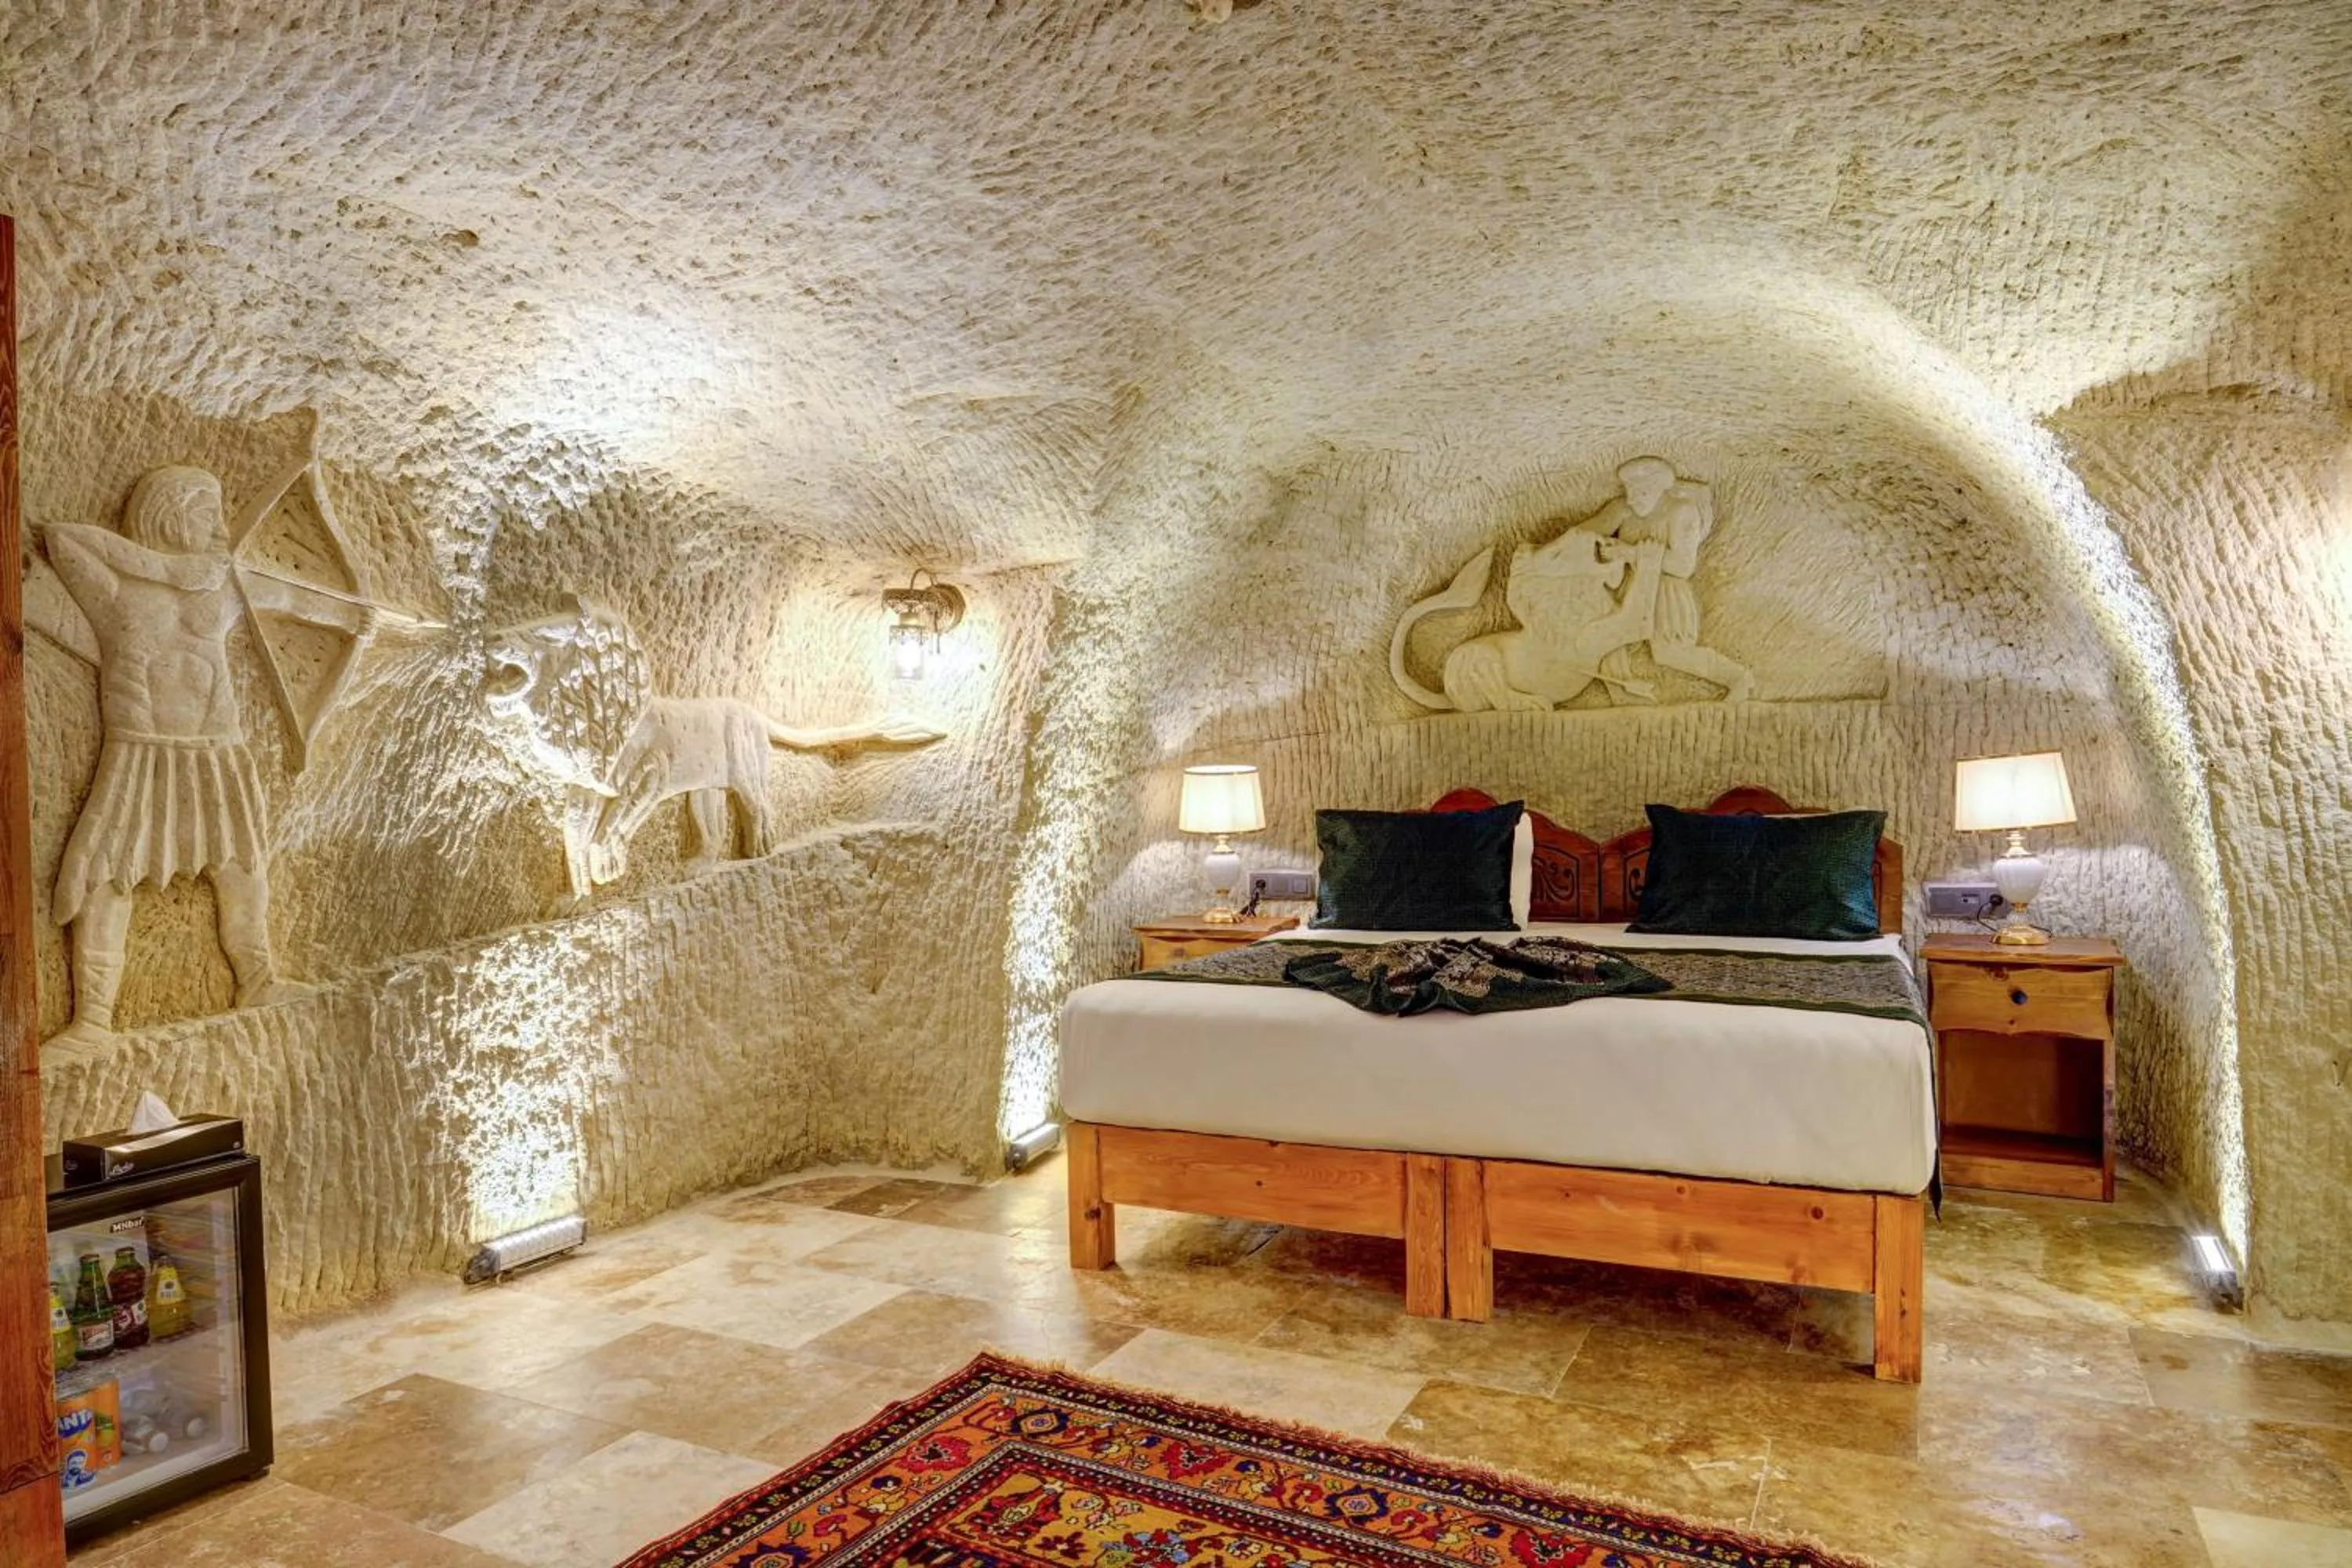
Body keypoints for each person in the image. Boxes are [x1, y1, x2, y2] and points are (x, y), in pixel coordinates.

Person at [33, 466, 366, 1045]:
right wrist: (167, 568)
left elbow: (289, 595)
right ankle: (92, 1021)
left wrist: (348, 616)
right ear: (169, 515)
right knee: (106, 869)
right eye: (203, 513)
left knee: (242, 863)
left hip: (217, 747)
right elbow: (65, 539)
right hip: (143, 746)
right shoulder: (116, 589)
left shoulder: (226, 583)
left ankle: (257, 979)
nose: (216, 527)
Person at [1581, 456, 1754, 702]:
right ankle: (1627, 699)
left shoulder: (1681, 512)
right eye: (1629, 491)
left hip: (1665, 592)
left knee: (1671, 653)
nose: (1632, 499)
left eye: (1639, 492)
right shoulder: (1623, 509)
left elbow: (1683, 566)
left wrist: (1629, 552)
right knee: (1608, 640)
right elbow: (1587, 531)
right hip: (1631, 589)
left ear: (1657, 487)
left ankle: (1737, 678)